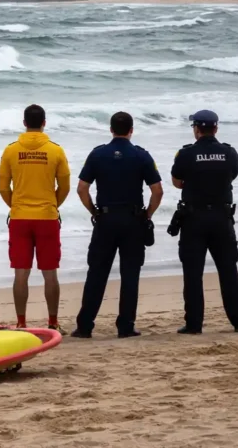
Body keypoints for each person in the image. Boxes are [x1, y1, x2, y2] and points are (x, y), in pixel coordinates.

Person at [72, 112, 164, 339]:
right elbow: (157, 191)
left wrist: (94, 211)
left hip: (105, 220)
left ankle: (85, 326)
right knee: (130, 274)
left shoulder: (97, 154)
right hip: (133, 220)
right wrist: (147, 214)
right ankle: (125, 326)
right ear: (131, 130)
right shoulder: (141, 155)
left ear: (111, 129)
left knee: (97, 273)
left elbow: (82, 188)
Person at [170, 109, 238, 334]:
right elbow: (232, 175)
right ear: (216, 128)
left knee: (193, 273)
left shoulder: (185, 154)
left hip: (194, 219)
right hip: (222, 219)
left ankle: (194, 324)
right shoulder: (229, 153)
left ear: (196, 129)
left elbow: (177, 182)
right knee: (228, 270)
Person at [0, 104, 70, 331]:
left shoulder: (11, 150)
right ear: (44, 123)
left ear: (24, 123)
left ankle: (21, 322)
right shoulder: (55, 150)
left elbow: (3, 187)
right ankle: (53, 322)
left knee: (21, 272)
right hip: (47, 217)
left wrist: (16, 205)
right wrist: (52, 204)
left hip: (20, 218)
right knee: (50, 273)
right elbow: (65, 186)